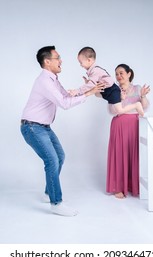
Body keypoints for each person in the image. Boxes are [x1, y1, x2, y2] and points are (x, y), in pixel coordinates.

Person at [20, 45, 104, 217]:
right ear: (47, 61)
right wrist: (88, 94)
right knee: (52, 160)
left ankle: (47, 193)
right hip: (32, 127)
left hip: (42, 127)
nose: (61, 61)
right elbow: (65, 104)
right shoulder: (44, 81)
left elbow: (66, 96)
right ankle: (56, 203)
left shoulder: (53, 79)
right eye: (58, 58)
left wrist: (89, 88)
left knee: (60, 157)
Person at [106, 64, 150, 199]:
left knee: (134, 154)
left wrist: (142, 96)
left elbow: (145, 108)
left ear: (129, 73)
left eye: (121, 73)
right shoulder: (114, 90)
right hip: (119, 125)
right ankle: (118, 187)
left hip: (134, 125)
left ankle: (133, 185)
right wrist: (121, 99)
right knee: (119, 154)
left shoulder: (137, 89)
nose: (119, 76)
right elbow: (111, 111)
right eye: (116, 74)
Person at [68, 47, 144, 116]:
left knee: (120, 110)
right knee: (114, 107)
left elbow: (91, 85)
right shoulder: (94, 71)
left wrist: (77, 91)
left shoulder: (95, 70)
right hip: (107, 91)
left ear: (89, 60)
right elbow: (93, 85)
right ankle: (121, 96)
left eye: (81, 62)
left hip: (111, 90)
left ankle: (136, 105)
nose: (81, 65)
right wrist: (88, 82)